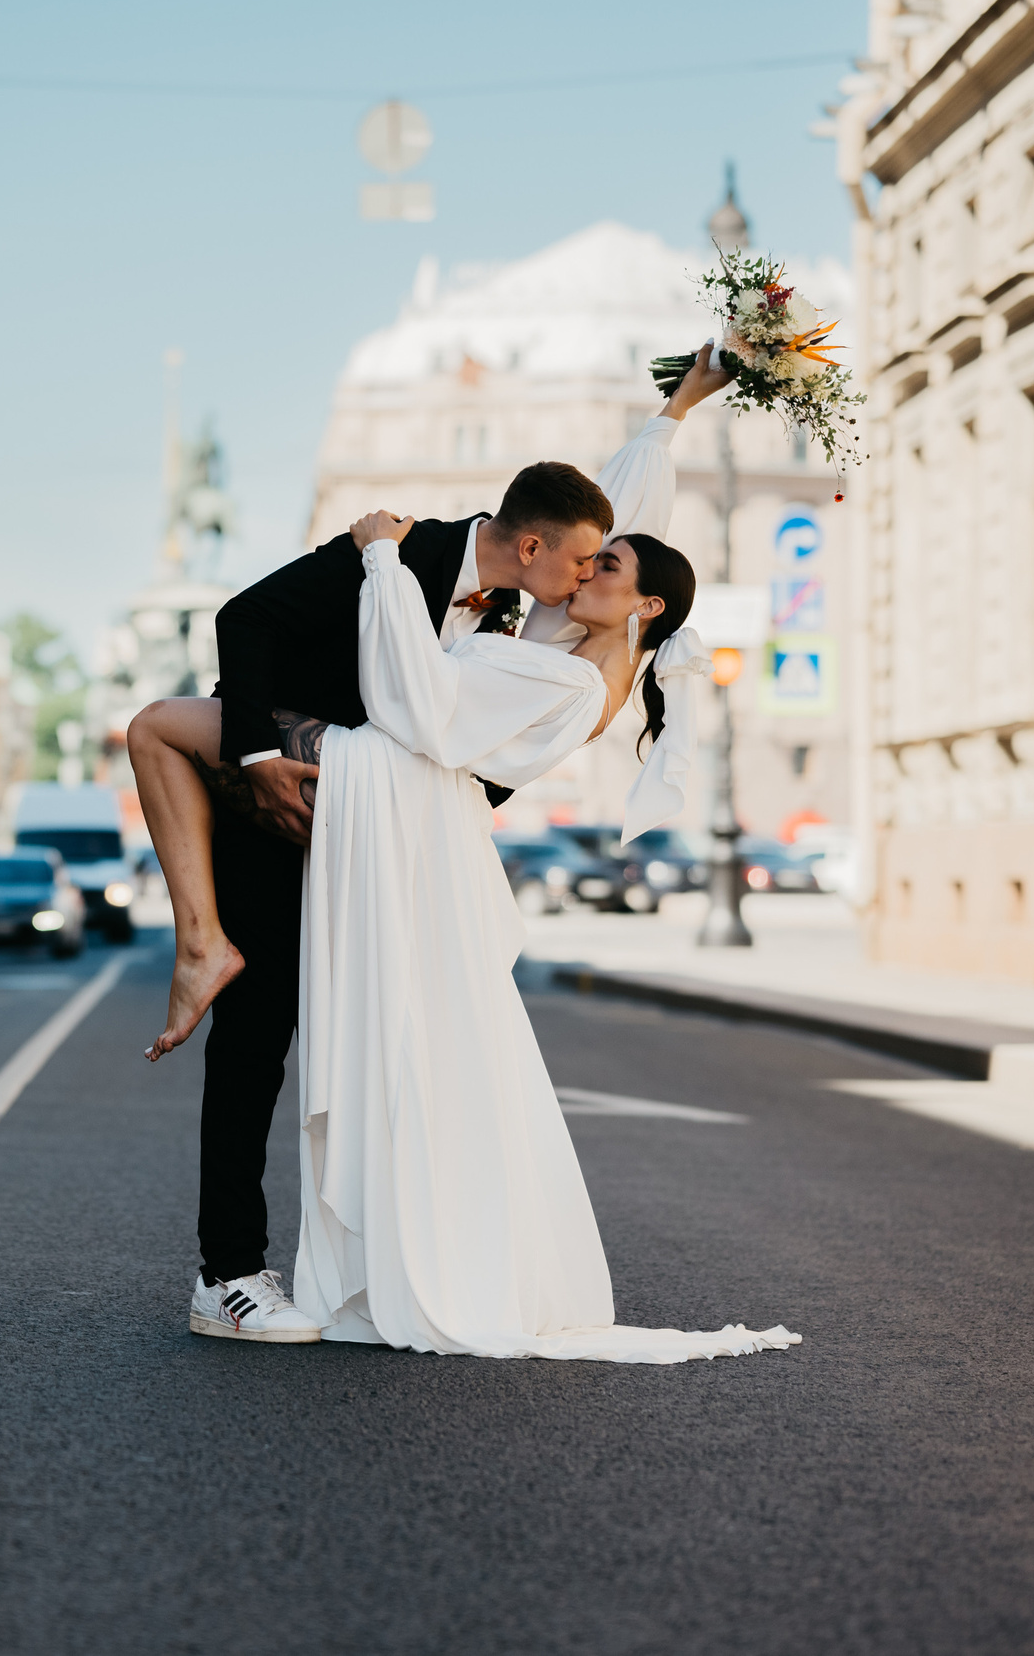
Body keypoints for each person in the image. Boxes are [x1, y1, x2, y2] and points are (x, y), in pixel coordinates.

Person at [129, 347, 792, 1356]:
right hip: (306, 806)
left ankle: (406, 1254)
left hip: (398, 823)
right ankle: (229, 1267)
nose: (587, 572)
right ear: (533, 548)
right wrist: (678, 408)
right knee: (259, 1038)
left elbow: (450, 692)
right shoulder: (473, 577)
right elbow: (245, 617)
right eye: (583, 560)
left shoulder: (557, 640)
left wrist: (383, 562)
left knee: (396, 1050)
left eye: (600, 568)